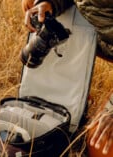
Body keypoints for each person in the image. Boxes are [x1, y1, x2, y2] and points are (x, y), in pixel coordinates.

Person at [21, 0, 113, 155]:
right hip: (99, 30)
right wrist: (49, 3)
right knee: (32, 4)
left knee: (102, 146)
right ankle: (77, 94)